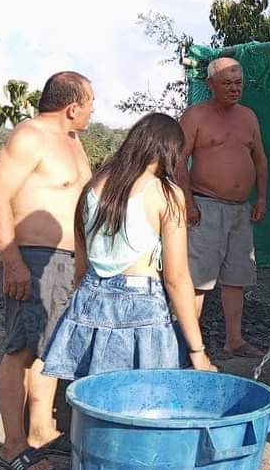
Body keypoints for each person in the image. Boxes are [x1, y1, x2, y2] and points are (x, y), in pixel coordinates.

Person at [41, 113, 214, 381]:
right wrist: (197, 351)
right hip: (142, 306)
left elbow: (82, 266)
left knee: (95, 399)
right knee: (148, 399)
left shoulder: (92, 188)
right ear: (169, 150)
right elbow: (177, 278)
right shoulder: (165, 194)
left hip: (90, 298)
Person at [0, 71, 94, 470]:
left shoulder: (73, 142)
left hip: (67, 263)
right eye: (90, 102)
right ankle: (12, 446)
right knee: (21, 350)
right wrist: (13, 261)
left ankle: (42, 430)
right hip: (32, 258)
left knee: (53, 350)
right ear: (72, 106)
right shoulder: (29, 137)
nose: (92, 109)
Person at [177, 57, 268, 359]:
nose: (234, 88)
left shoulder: (249, 116)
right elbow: (178, 160)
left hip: (240, 209)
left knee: (236, 277)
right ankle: (189, 346)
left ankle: (234, 340)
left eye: (238, 82)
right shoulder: (195, 116)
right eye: (227, 83)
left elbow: (260, 159)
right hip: (205, 205)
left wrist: (262, 197)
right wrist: (187, 201)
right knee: (199, 280)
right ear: (210, 85)